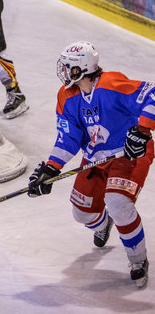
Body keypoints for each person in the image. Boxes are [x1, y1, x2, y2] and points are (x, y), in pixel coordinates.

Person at [28, 41, 154, 289]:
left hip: (128, 153)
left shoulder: (111, 84)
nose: (62, 71)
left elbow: (152, 94)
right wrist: (51, 168)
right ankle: (103, 223)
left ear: (80, 70)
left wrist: (142, 131)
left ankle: (138, 260)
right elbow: (69, 136)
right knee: (82, 213)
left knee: (118, 203)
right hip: (96, 157)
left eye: (67, 66)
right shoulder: (66, 95)